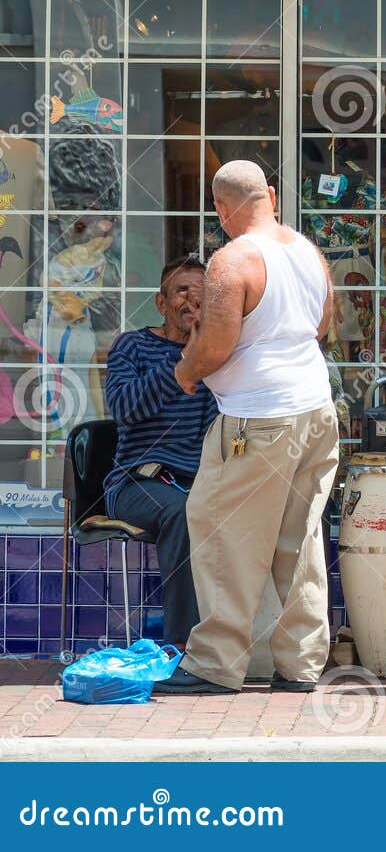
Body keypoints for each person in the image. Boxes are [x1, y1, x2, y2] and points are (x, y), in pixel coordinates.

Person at [155, 160, 338, 696]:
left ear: (221, 208)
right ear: (272, 196)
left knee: (217, 525)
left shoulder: (232, 259)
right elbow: (322, 324)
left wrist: (185, 371)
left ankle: (214, 664)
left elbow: (213, 347)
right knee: (297, 537)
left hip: (259, 418)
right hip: (315, 409)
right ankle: (301, 664)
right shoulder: (306, 251)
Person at [102, 255, 216, 646]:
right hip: (137, 482)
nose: (192, 301)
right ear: (161, 302)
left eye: (202, 293)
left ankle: (251, 644)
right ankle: (184, 647)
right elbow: (125, 409)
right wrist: (183, 365)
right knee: (184, 514)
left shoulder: (219, 356)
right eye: (182, 291)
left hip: (202, 481)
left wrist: (207, 353)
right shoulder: (131, 346)